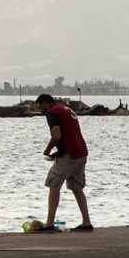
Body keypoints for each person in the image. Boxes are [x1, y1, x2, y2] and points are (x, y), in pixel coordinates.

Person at [34, 93, 94, 232]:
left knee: (53, 183)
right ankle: (86, 222)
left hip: (71, 154)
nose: (39, 109)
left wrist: (48, 149)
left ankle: (49, 223)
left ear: (44, 103)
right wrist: (58, 153)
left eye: (39, 106)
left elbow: (56, 135)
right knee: (77, 187)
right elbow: (69, 134)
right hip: (80, 152)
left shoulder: (52, 113)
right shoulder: (65, 109)